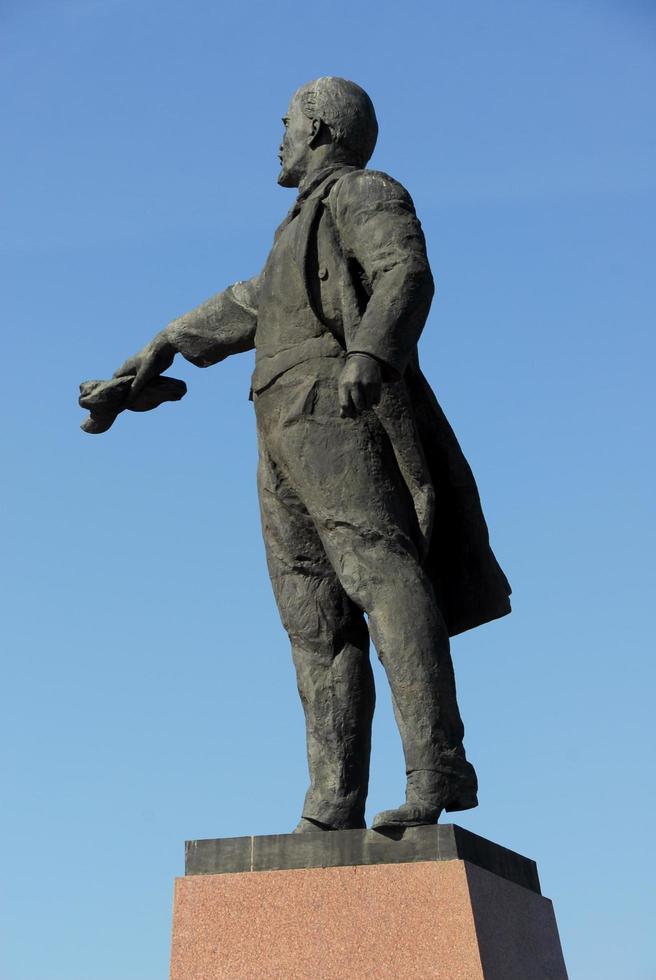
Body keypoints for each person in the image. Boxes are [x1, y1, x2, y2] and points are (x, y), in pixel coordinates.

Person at [105, 77, 511, 832]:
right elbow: (252, 300)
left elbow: (404, 272)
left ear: (321, 128)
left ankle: (438, 767)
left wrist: (370, 352)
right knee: (312, 619)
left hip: (336, 403)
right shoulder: (296, 226)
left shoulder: (364, 191)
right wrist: (159, 347)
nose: (280, 137)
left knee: (379, 573)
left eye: (288, 123)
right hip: (278, 425)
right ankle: (333, 802)